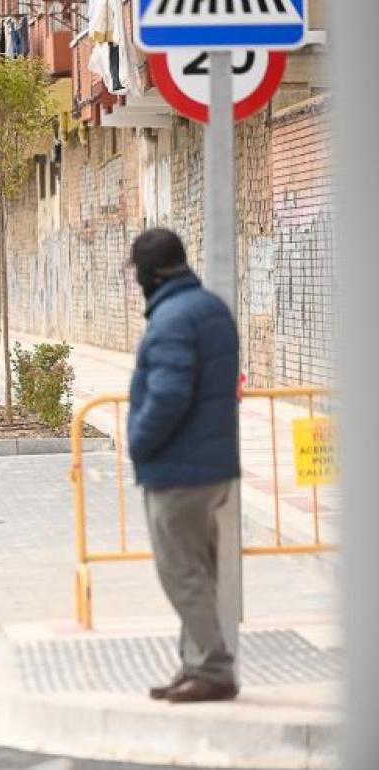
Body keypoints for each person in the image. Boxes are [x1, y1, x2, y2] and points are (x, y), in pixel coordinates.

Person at [127, 228, 242, 704]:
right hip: (212, 465)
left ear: (151, 272)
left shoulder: (174, 318)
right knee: (200, 570)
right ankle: (194, 664)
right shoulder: (209, 307)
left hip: (180, 469)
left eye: (136, 272)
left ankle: (213, 669)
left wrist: (138, 441)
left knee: (182, 573)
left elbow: (169, 396)